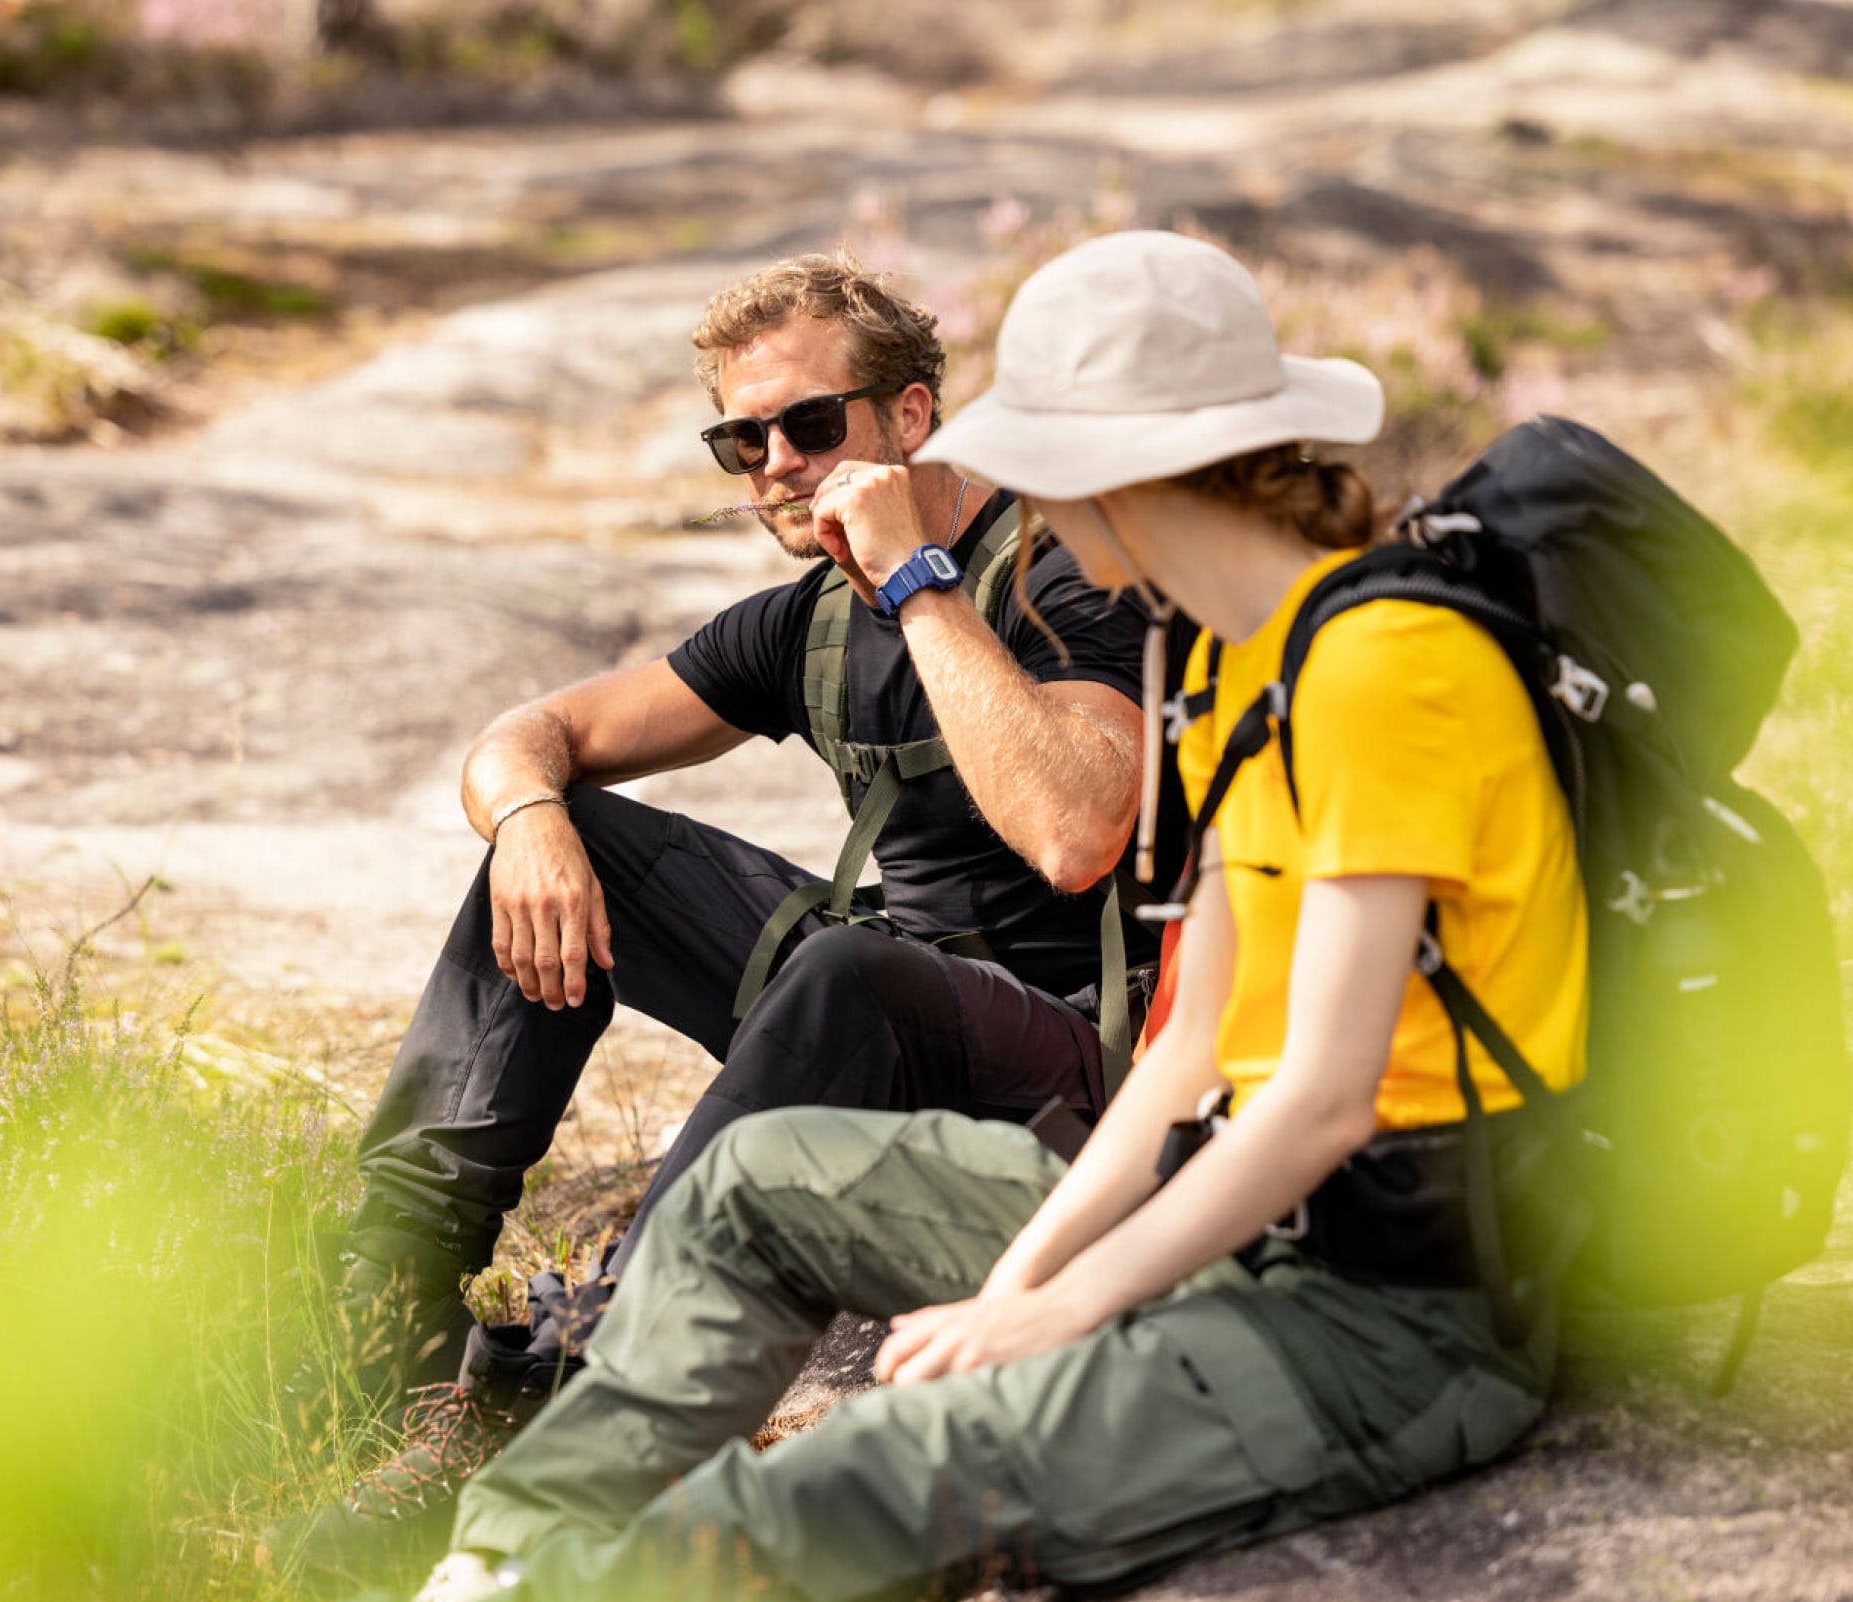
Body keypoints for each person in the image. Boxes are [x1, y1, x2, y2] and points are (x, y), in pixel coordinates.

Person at [403, 229, 1590, 1602]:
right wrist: (1021, 1279)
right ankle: (496, 1554)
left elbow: (1320, 1097)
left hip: (1381, 1317)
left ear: (1124, 475)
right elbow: (1198, 1048)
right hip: (1215, 1214)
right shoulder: (1238, 660)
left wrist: (1057, 1308)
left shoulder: (1392, 669)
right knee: (751, 1183)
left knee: (873, 1469)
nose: (1026, 495)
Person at [286, 250, 1186, 1550]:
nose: (774, 460)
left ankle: (578, 1394)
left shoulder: (1055, 574)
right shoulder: (805, 622)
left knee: (846, 973)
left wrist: (913, 580)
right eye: (739, 438)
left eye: (809, 424)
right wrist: (535, 819)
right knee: (569, 840)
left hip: (1068, 1069)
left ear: (910, 418)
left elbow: (1078, 830)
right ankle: (377, 1330)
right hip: (876, 1010)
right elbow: (528, 734)